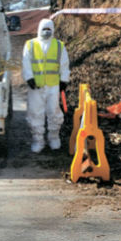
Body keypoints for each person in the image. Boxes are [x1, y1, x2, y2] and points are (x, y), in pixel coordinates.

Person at [22, 19, 70, 153]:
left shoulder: (59, 45)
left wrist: (64, 80)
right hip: (35, 86)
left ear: (53, 30)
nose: (46, 32)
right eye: (44, 28)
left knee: (54, 111)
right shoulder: (30, 45)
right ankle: (38, 141)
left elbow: (64, 64)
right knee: (35, 113)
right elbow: (26, 62)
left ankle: (54, 138)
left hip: (53, 85)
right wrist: (29, 77)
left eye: (49, 29)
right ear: (39, 29)